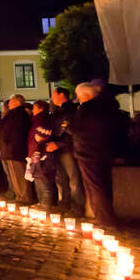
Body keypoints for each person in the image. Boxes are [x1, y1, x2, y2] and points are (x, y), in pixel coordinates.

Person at [71, 82, 119, 228]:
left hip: (88, 152)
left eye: (79, 96)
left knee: (95, 187)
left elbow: (77, 128)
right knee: (102, 185)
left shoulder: (87, 109)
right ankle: (105, 218)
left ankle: (105, 220)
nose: (78, 99)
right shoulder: (105, 107)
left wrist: (68, 127)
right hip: (103, 151)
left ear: (84, 95)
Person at [48, 87, 85, 215]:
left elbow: (71, 132)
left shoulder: (71, 110)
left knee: (73, 178)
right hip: (56, 149)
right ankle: (64, 203)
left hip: (67, 148)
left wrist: (59, 144)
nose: (52, 97)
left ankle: (77, 207)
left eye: (54, 94)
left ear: (62, 94)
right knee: (60, 179)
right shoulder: (56, 112)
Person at [0, 95, 32, 203]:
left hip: (16, 149)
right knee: (14, 175)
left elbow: (17, 132)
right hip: (9, 149)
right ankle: (19, 195)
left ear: (18, 102)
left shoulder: (20, 115)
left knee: (20, 174)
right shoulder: (11, 114)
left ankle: (25, 196)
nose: (9, 104)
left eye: (11, 102)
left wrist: (9, 142)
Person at [28, 100, 56, 209]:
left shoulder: (42, 118)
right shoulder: (36, 119)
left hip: (41, 153)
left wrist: (38, 138)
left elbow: (44, 133)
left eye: (34, 108)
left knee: (43, 178)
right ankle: (41, 202)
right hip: (36, 152)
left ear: (41, 108)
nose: (32, 110)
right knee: (37, 177)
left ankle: (46, 204)